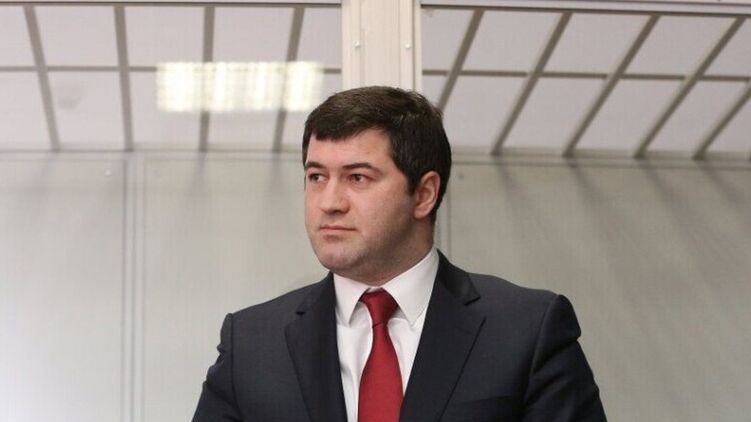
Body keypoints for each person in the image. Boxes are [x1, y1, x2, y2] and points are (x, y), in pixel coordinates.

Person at [193, 86, 606, 422]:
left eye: (357, 177)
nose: (329, 202)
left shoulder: (526, 330)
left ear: (424, 194)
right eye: (316, 176)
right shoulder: (252, 343)